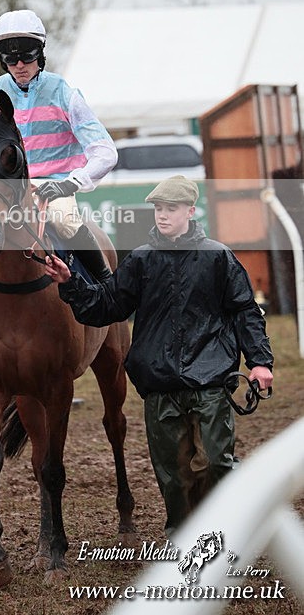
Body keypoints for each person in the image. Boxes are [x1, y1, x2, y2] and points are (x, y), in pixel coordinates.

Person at [43, 175, 274, 536]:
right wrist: (70, 282)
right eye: (158, 210)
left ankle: (229, 526)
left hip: (211, 380)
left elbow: (246, 311)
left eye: (170, 209)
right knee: (173, 473)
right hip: (159, 384)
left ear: (190, 211)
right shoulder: (140, 261)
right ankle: (182, 538)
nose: (162, 216)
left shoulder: (218, 257)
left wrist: (260, 362)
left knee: (216, 463)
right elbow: (106, 306)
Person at [0, 8, 118, 323]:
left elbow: (105, 151)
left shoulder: (64, 93)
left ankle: (109, 288)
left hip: (55, 185)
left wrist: (71, 182)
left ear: (41, 54)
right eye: (11, 60)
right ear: (3, 61)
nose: (20, 65)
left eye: (27, 56)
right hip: (4, 188)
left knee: (65, 220)